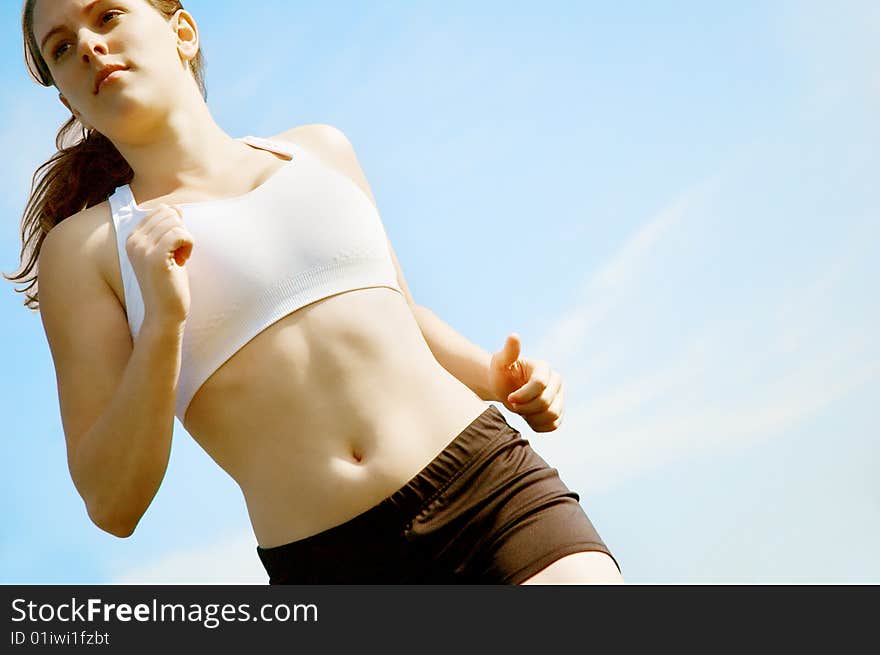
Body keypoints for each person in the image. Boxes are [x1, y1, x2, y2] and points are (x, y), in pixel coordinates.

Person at [8, 0, 623, 584]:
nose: (88, 44)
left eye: (108, 15)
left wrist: (495, 375)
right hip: (329, 563)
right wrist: (164, 323)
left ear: (183, 32)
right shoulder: (89, 251)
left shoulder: (319, 150)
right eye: (61, 47)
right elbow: (112, 503)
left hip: (488, 492)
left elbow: (398, 311)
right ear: (67, 98)